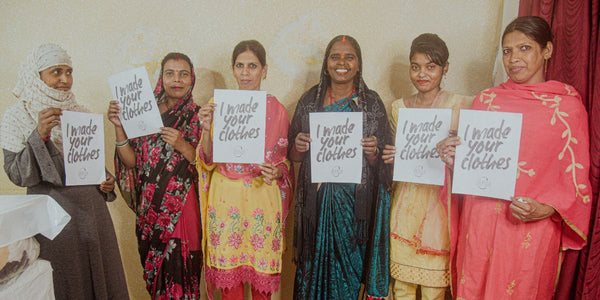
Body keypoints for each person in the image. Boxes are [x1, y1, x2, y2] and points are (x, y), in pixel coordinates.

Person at [436, 16, 591, 299]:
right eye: (507, 51)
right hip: (480, 219)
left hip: (530, 228)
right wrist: (451, 158)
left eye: (524, 48)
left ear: (547, 50)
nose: (514, 58)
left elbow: (575, 180)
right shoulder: (486, 101)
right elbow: (472, 168)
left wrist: (548, 209)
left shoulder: (567, 108)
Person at [0, 43, 128, 299]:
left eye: (69, 72)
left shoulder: (80, 112)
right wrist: (39, 134)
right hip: (54, 219)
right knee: (65, 280)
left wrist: (105, 180)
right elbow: (16, 173)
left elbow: (88, 163)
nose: (64, 79)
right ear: (37, 77)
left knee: (100, 277)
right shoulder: (17, 117)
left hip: (92, 214)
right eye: (56, 72)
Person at [289, 35, 391, 300]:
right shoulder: (310, 100)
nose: (341, 63)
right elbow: (294, 157)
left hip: (354, 211)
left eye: (349, 57)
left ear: (358, 64)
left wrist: (373, 152)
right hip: (316, 205)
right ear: (326, 63)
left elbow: (385, 162)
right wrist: (298, 146)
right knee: (311, 274)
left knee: (348, 276)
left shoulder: (372, 104)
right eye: (335, 56)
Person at [196, 40, 293, 300]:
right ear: (233, 69)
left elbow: (285, 163)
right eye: (240, 66)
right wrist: (206, 128)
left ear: (264, 70)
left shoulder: (277, 110)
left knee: (262, 288)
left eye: (252, 66)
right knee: (230, 288)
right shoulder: (218, 106)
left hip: (262, 198)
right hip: (227, 201)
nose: (245, 72)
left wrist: (277, 173)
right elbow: (207, 158)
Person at [381, 33, 472, 300]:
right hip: (404, 208)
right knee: (401, 291)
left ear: (445, 68)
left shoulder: (461, 105)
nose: (422, 74)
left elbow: (474, 159)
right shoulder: (398, 108)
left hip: (440, 213)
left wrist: (456, 151)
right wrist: (391, 158)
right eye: (415, 66)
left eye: (431, 67)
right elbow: (400, 160)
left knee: (434, 292)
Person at [109, 52, 202, 298]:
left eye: (183, 74)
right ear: (161, 78)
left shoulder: (198, 117)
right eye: (170, 73)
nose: (177, 80)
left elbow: (206, 165)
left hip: (183, 207)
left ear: (192, 79)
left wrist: (182, 144)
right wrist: (119, 127)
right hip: (150, 210)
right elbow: (131, 162)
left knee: (185, 274)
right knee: (157, 279)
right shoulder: (143, 113)